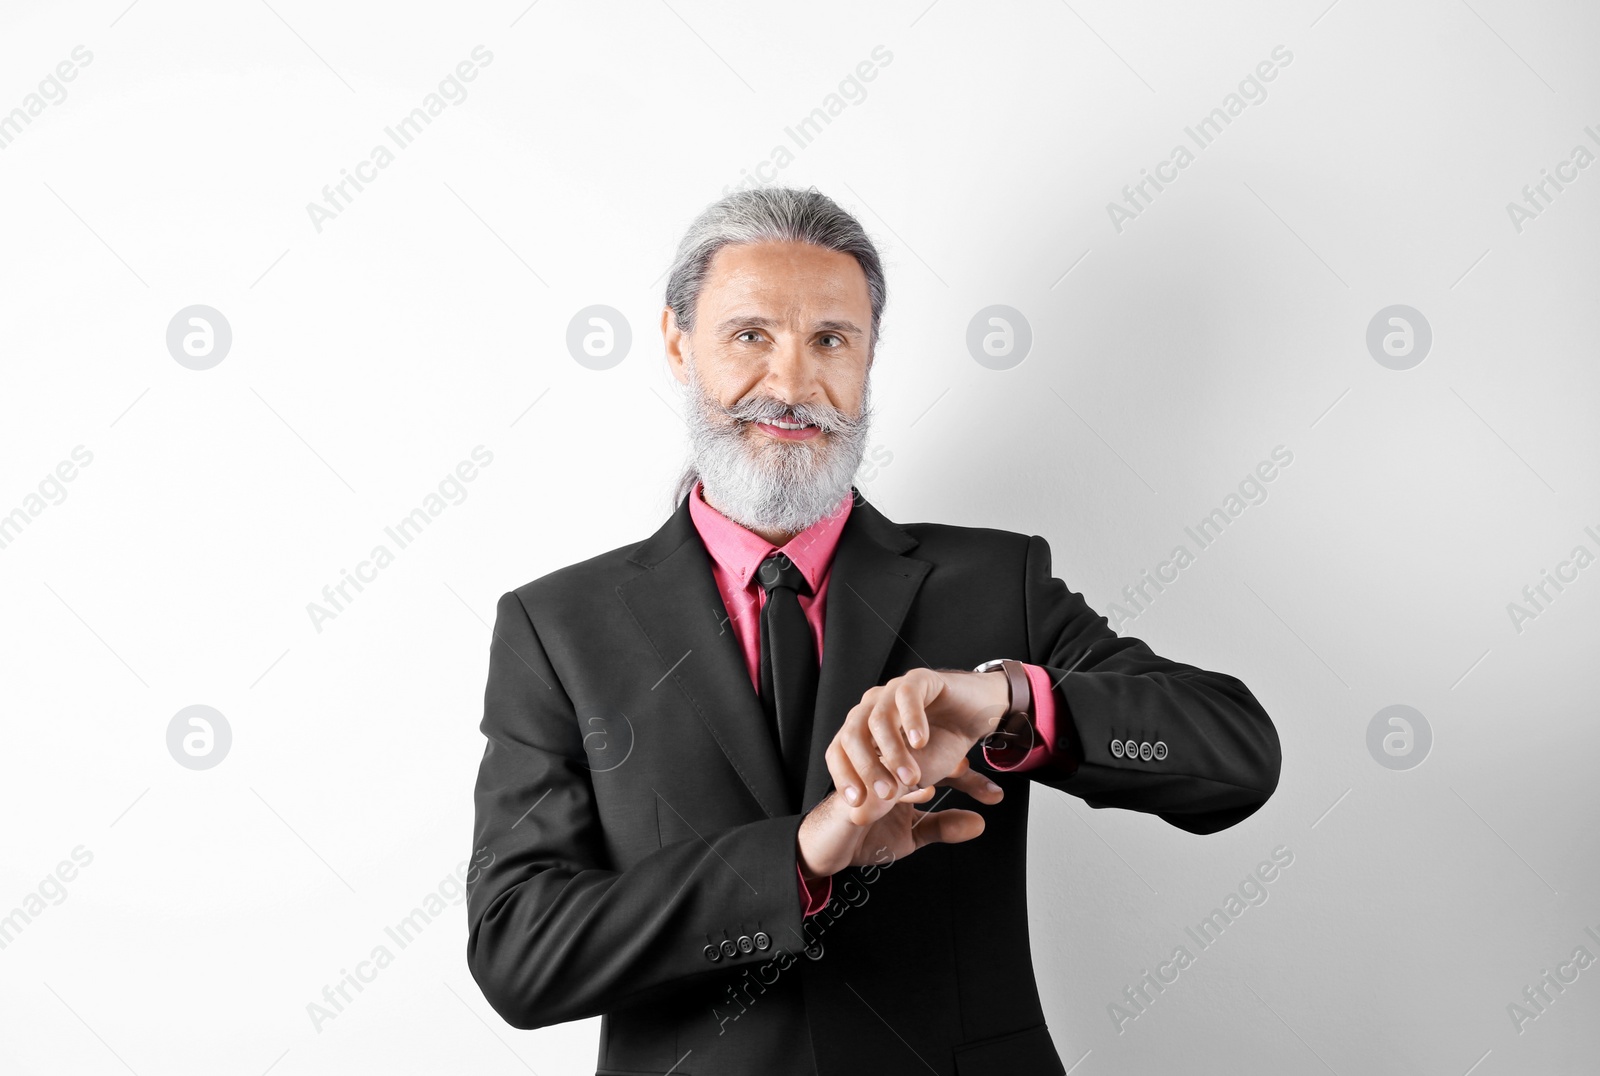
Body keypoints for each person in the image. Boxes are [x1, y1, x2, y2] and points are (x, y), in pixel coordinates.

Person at [466, 186, 1281, 1076]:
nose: (791, 384)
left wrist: (1012, 703)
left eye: (830, 340)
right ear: (677, 343)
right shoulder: (557, 628)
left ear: (868, 357)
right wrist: (802, 858)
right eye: (750, 336)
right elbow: (519, 953)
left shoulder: (992, 582)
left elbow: (1237, 758)